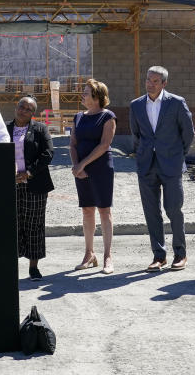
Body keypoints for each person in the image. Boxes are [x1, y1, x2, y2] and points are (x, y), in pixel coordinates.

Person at [129, 66, 195, 272]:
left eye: (155, 81)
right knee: (151, 212)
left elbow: (188, 133)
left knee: (173, 209)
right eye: (148, 79)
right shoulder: (136, 105)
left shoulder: (176, 103)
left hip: (171, 164)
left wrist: (177, 155)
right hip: (147, 165)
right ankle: (159, 256)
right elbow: (137, 135)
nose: (150, 84)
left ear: (164, 83)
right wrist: (142, 154)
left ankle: (180, 254)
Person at [70, 79, 117, 275]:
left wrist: (83, 164)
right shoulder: (78, 117)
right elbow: (72, 144)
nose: (83, 95)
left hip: (101, 169)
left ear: (97, 96)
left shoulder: (108, 117)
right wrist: (76, 166)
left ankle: (107, 257)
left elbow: (104, 145)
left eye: (86, 92)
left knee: (104, 211)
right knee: (87, 211)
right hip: (81, 170)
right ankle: (89, 254)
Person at [7, 96, 55, 281]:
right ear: (16, 106)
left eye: (28, 109)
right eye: (21, 106)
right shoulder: (4, 128)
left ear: (33, 113)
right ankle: (11, 266)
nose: (23, 110)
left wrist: (28, 172)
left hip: (34, 184)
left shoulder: (40, 129)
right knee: (12, 225)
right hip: (9, 184)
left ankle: (33, 268)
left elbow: (48, 153)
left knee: (34, 225)